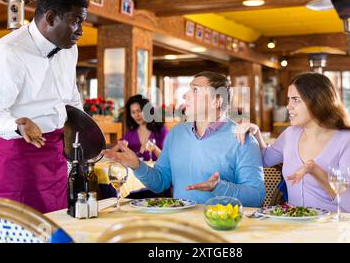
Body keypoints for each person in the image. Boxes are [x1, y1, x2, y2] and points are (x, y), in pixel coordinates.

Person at [0, 0, 88, 213]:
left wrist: (86, 131)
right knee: (20, 227)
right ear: (50, 17)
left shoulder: (70, 49)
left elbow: (72, 98)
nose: (81, 31)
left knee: (56, 223)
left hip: (55, 154)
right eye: (76, 22)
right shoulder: (8, 51)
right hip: (18, 153)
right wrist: (17, 125)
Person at [104, 71, 265, 207]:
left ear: (216, 101)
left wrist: (218, 187)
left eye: (195, 90)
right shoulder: (176, 134)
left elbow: (256, 197)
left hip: (221, 227)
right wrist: (137, 166)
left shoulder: (243, 139)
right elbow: (160, 182)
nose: (185, 95)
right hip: (179, 224)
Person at [234, 73, 350, 213]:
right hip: (294, 225)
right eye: (289, 99)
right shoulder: (290, 134)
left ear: (318, 101)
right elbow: (264, 160)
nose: (288, 106)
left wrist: (315, 170)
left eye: (296, 100)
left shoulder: (347, 140)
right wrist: (256, 132)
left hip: (332, 227)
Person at [111, 94, 168, 162]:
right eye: (133, 112)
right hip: (135, 171)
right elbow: (110, 155)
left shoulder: (161, 130)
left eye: (139, 110)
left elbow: (167, 160)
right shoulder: (130, 133)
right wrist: (119, 145)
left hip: (156, 171)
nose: (137, 115)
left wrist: (154, 148)